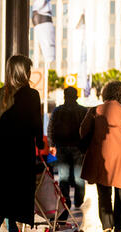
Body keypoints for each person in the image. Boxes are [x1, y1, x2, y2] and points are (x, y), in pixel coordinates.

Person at [0, 55, 43, 232]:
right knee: (13, 196)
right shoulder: (31, 95)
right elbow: (36, 125)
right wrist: (41, 146)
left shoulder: (0, 93)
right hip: (19, 152)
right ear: (24, 72)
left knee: (5, 194)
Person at [80, 81, 121, 232]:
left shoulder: (95, 110)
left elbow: (82, 131)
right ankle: (119, 226)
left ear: (105, 93)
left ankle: (107, 226)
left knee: (103, 192)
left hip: (100, 157)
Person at [47, 87, 88, 224]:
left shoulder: (58, 111)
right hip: (78, 147)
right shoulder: (83, 110)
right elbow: (88, 129)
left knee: (63, 176)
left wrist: (52, 144)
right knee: (78, 176)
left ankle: (66, 200)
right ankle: (78, 199)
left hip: (62, 146)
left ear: (64, 96)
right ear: (76, 96)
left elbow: (51, 127)